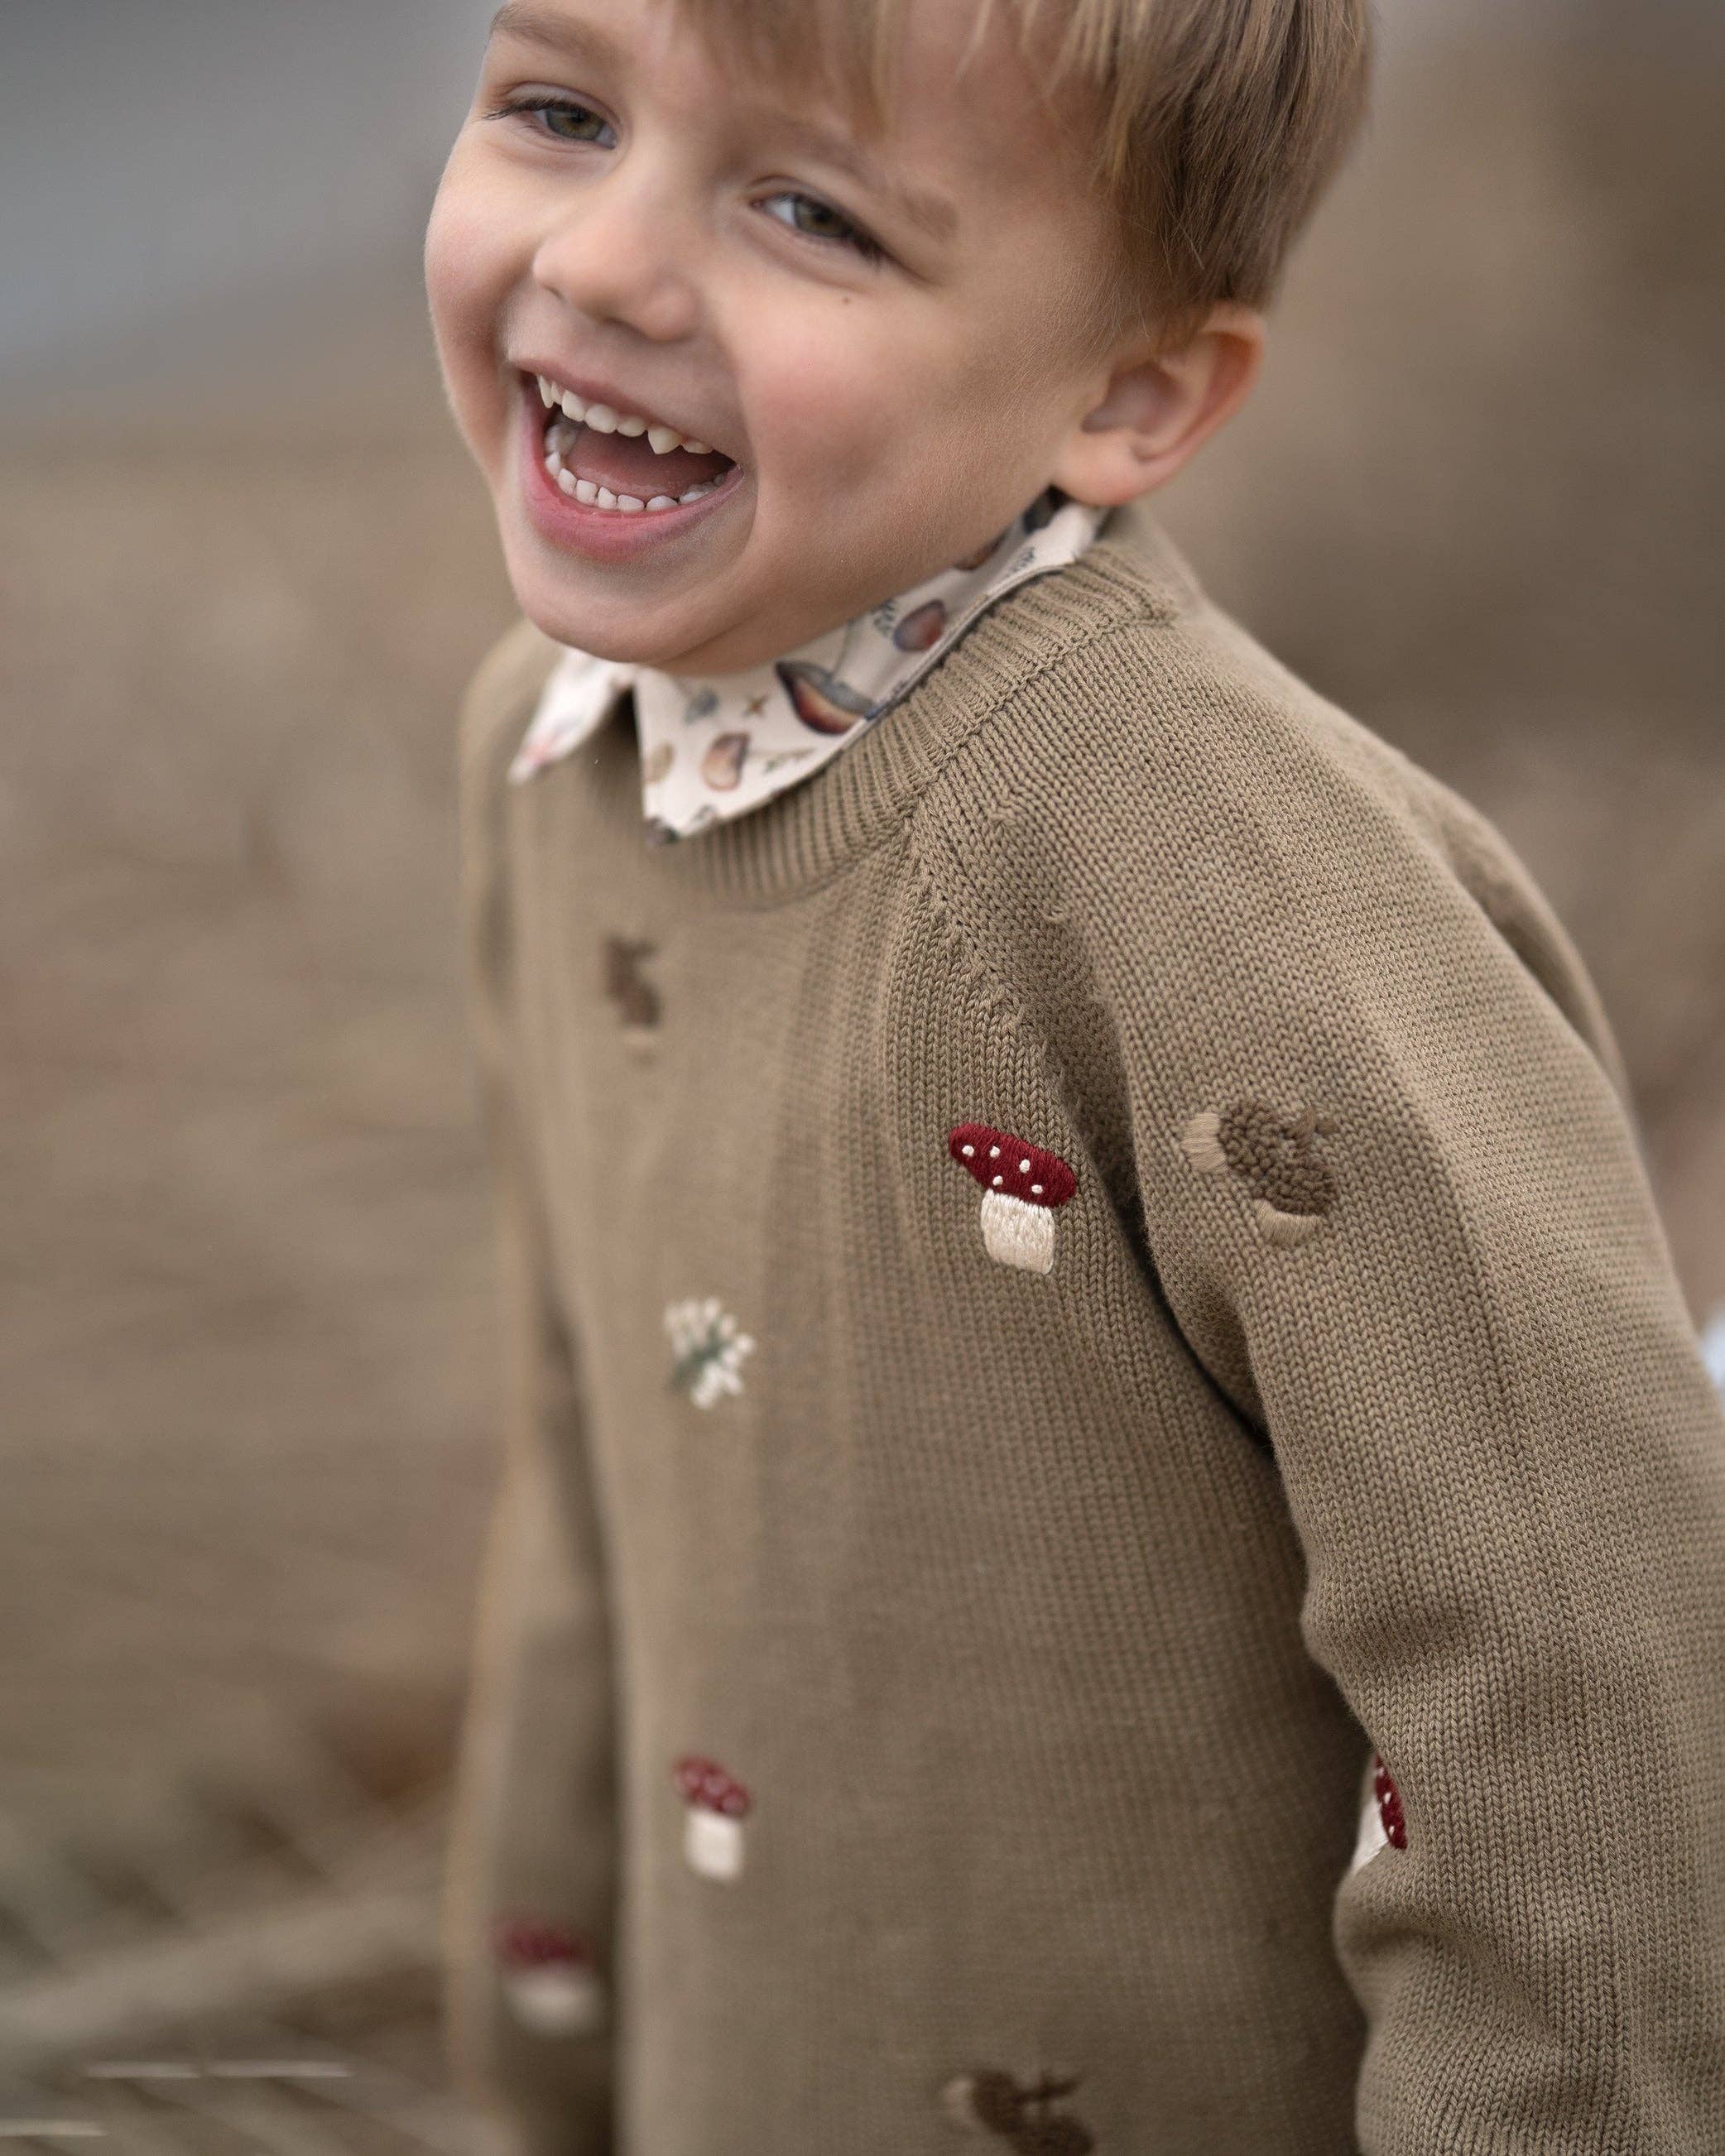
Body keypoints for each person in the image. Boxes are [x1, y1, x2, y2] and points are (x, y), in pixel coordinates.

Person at [422, 0, 1725, 2149]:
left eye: (807, 213)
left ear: (1131, 392)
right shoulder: (549, 752)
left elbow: (1574, 1669)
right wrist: (544, 2054)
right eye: (559, 110)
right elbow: (601, 1475)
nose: (605, 266)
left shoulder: (1209, 879)